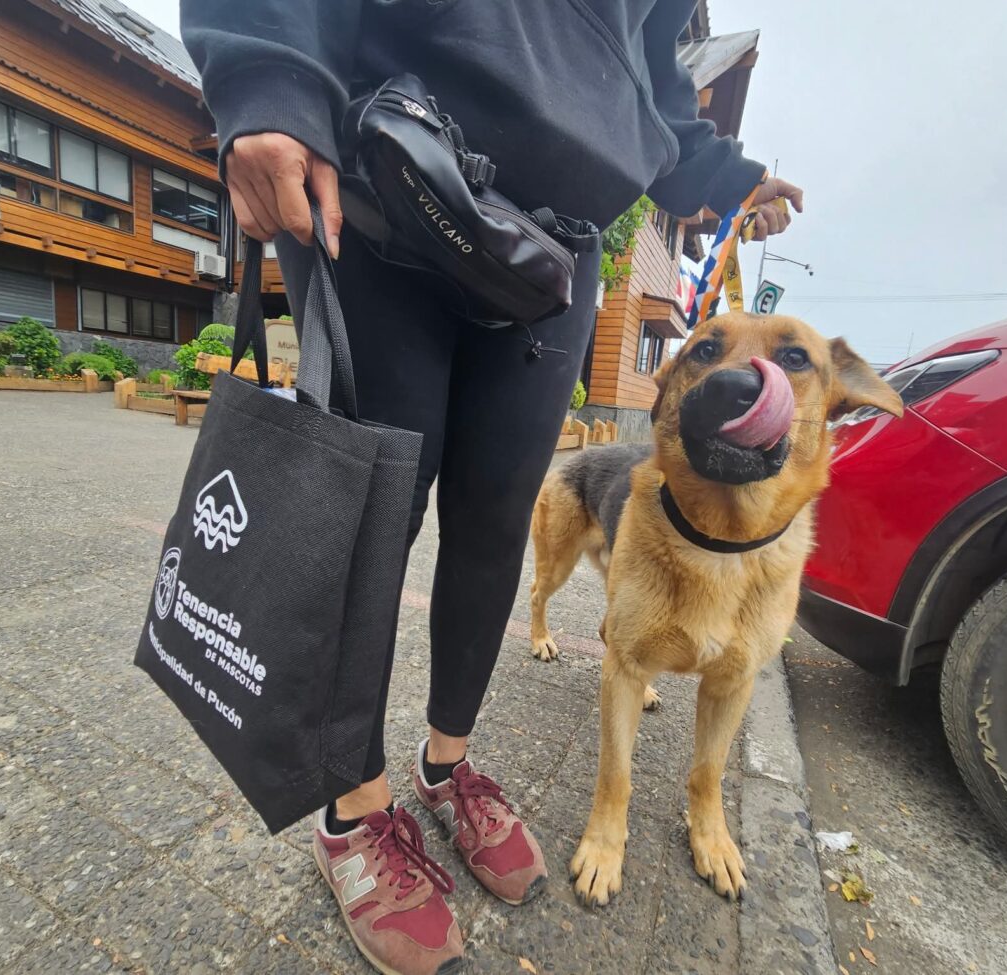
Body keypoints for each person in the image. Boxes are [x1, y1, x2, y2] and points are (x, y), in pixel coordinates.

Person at [182, 3, 803, 972]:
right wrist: (266, 78)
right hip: (390, 169)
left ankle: (445, 764)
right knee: (368, 514)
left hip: (554, 253)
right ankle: (351, 813)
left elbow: (653, 86)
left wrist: (726, 178)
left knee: (494, 519)